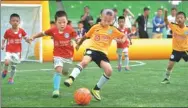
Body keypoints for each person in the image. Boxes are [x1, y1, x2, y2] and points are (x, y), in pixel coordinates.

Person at [64, 9, 126, 101]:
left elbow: (123, 35)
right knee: (84, 62)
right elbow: (85, 36)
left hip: (102, 54)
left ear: (112, 21)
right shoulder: (95, 27)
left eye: (109, 21)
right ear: (101, 17)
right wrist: (78, 44)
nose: (106, 22)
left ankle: (96, 89)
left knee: (109, 70)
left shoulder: (112, 30)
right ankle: (71, 78)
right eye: (105, 20)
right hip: (92, 50)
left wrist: (123, 39)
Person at [29, 11, 77, 98]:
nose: (62, 24)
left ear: (67, 22)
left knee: (65, 72)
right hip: (57, 55)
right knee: (58, 70)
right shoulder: (53, 30)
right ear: (55, 22)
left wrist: (77, 42)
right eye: (59, 22)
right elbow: (43, 33)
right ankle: (56, 90)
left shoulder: (70, 30)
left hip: (69, 56)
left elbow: (76, 38)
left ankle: (64, 71)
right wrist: (33, 36)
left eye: (64, 22)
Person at [161, 9, 188, 84]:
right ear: (176, 19)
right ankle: (166, 78)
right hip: (176, 50)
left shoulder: (187, 29)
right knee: (170, 65)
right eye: (178, 18)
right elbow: (165, 21)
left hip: (186, 50)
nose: (179, 19)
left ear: (185, 19)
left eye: (181, 18)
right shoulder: (174, 26)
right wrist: (166, 13)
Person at [1, 13, 30, 84]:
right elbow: (3, 38)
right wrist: (2, 45)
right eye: (13, 21)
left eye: (17, 21)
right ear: (10, 22)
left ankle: (11, 79)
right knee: (7, 62)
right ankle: (5, 70)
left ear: (19, 22)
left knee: (13, 66)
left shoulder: (21, 31)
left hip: (17, 52)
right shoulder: (8, 31)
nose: (15, 22)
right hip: (9, 50)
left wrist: (28, 40)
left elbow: (26, 37)